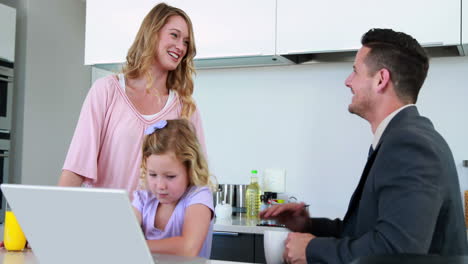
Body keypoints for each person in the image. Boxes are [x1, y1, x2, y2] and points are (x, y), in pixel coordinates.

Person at [260, 28, 468, 264]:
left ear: (381, 79)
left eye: (355, 71)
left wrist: (311, 249)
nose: (348, 82)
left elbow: (395, 251)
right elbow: (369, 234)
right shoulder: (402, 138)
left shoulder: (410, 146)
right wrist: (309, 225)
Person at [58, 3, 206, 197]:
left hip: (160, 228)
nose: (181, 47)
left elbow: (197, 183)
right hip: (106, 222)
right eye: (174, 35)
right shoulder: (107, 91)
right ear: (152, 33)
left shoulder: (185, 109)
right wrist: (52, 220)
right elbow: (76, 167)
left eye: (186, 42)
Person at [132, 119, 214, 258]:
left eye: (170, 176)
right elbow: (124, 234)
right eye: (153, 175)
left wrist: (136, 245)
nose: (160, 186)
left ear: (190, 170)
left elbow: (188, 248)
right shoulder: (144, 198)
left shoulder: (199, 196)